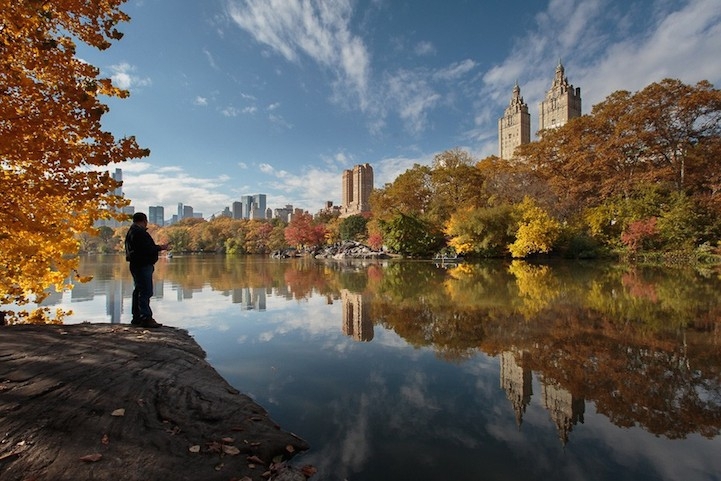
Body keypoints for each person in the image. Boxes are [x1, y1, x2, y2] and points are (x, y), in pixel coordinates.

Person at [124, 212, 170, 328]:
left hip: (137, 265)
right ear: (144, 221)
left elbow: (142, 248)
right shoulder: (139, 233)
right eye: (146, 223)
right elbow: (146, 249)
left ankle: (137, 318)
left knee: (139, 291)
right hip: (142, 265)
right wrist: (161, 247)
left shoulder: (132, 232)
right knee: (146, 291)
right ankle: (146, 318)